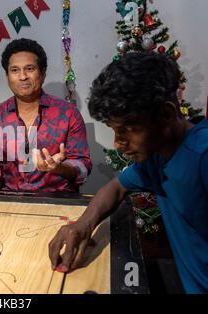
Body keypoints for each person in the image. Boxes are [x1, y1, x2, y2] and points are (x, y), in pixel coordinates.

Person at [48, 52, 208, 294]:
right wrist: (83, 224)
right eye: (113, 130)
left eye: (126, 130)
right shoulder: (157, 156)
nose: (117, 143)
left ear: (165, 113)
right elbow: (116, 188)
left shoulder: (202, 156)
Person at [0, 38, 92, 193]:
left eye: (29, 69)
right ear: (7, 76)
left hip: (59, 201)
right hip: (10, 203)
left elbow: (83, 168)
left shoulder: (68, 113)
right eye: (15, 70)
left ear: (43, 73)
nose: (22, 76)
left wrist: (60, 168)